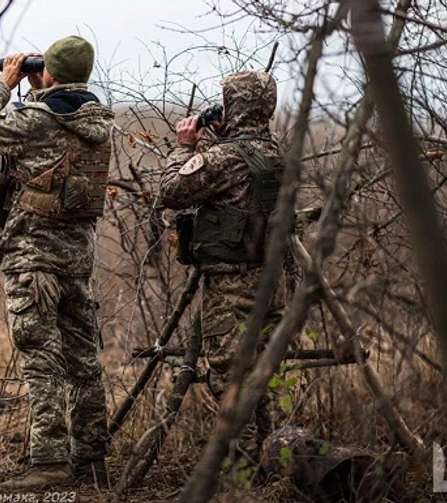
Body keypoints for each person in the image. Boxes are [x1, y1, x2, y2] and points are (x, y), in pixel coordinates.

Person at [0, 35, 113, 490]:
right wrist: (42, 86)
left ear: (50, 71)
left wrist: (4, 84)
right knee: (84, 363)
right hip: (77, 261)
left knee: (42, 362)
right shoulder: (99, 121)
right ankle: (92, 463)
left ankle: (49, 462)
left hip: (33, 260)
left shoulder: (36, 120)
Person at [159, 70, 287, 444]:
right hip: (272, 282)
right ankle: (278, 458)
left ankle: (243, 464)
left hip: (231, 285)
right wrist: (225, 134)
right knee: (266, 377)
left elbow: (172, 191)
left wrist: (184, 146)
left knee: (230, 378)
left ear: (235, 106)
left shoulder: (225, 158)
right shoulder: (276, 153)